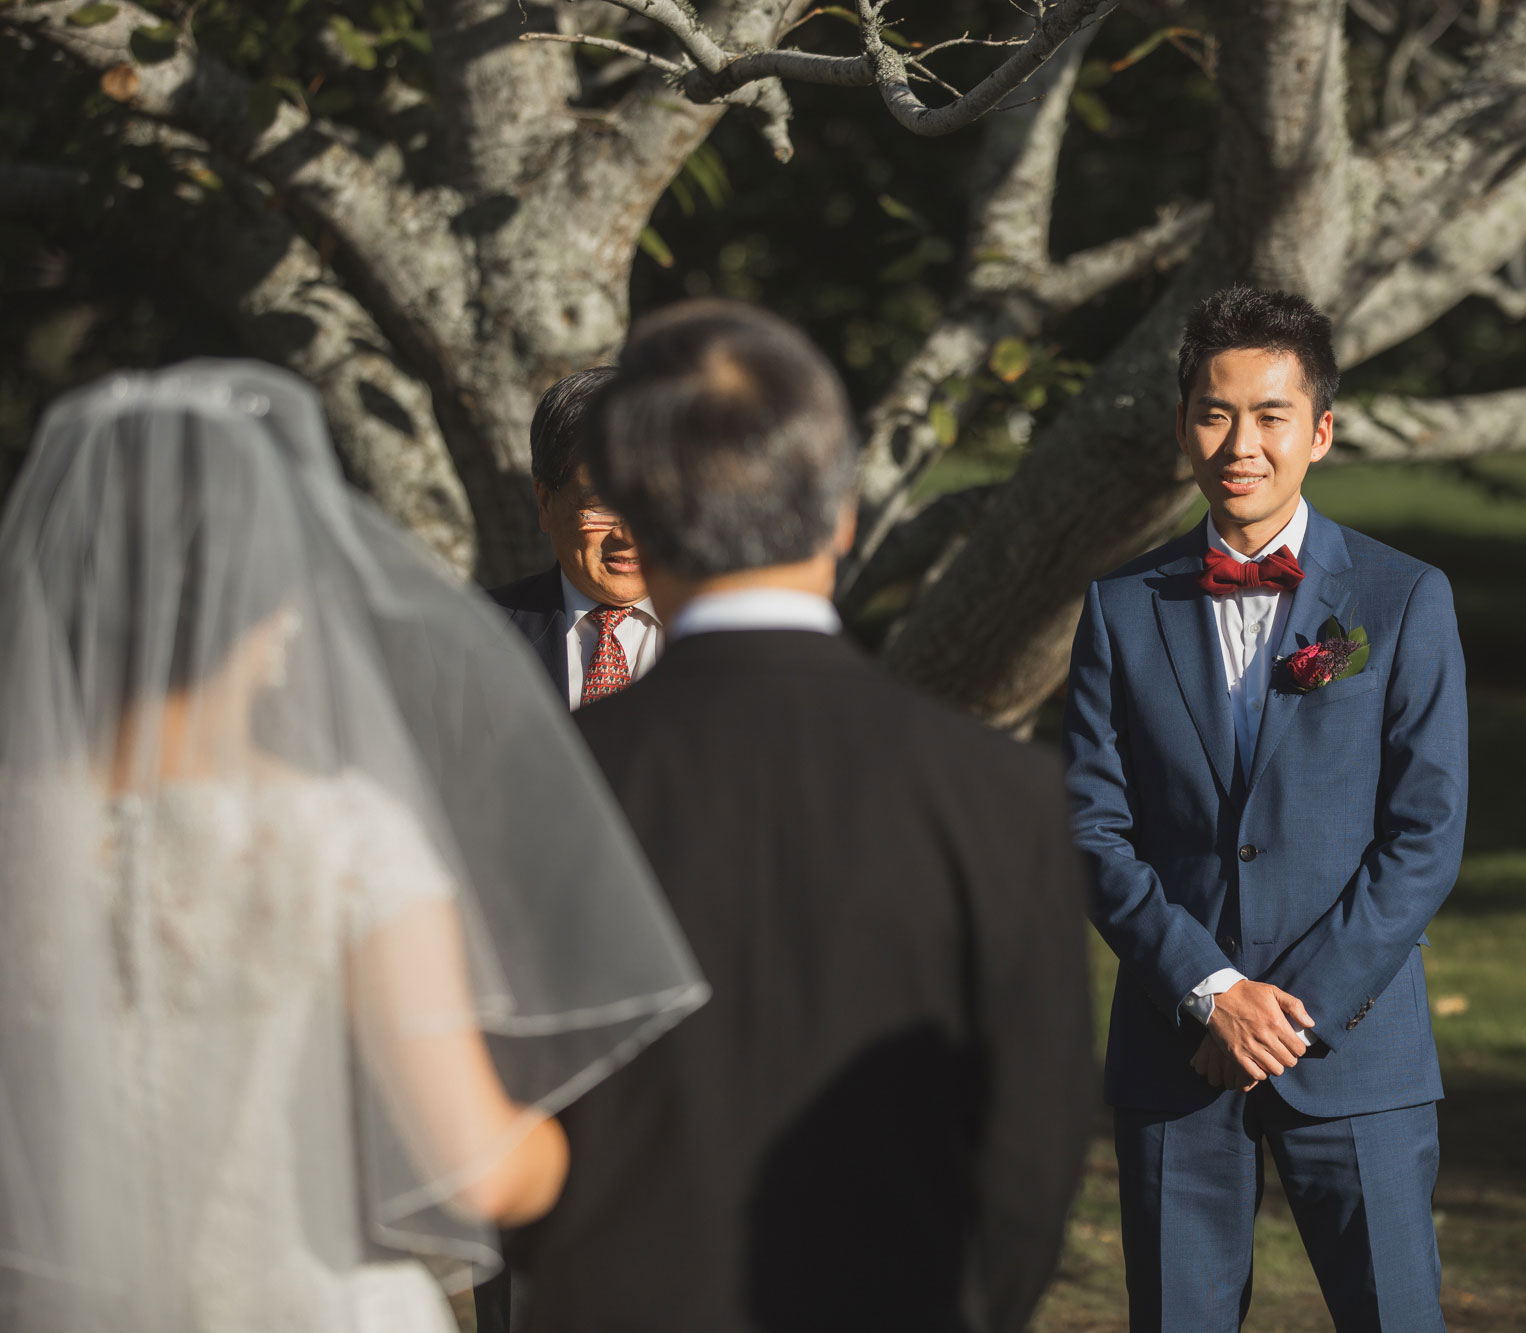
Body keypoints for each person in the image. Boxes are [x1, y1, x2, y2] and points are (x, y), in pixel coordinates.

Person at [0, 363, 707, 1333]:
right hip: (450, 1113)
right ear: (543, 504)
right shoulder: (439, 679)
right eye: (595, 500)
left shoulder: (739, 670)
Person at [512, 299, 1096, 1333]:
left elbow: (505, 1107)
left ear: (648, 511)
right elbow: (1031, 1153)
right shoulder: (1003, 796)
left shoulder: (547, 783)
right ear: (842, 518)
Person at [1063, 285, 1468, 1331]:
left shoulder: (1402, 596)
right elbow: (1093, 828)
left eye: (1269, 415)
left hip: (1355, 1048)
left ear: (1318, 430)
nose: (1238, 443)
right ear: (1183, 425)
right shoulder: (1120, 606)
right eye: (1212, 412)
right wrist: (1208, 991)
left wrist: (1283, 1015)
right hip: (1176, 1046)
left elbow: (1422, 836)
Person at [490, 367, 662, 707]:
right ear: (545, 503)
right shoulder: (472, 633)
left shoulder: (738, 639)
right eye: (600, 505)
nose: (628, 535)